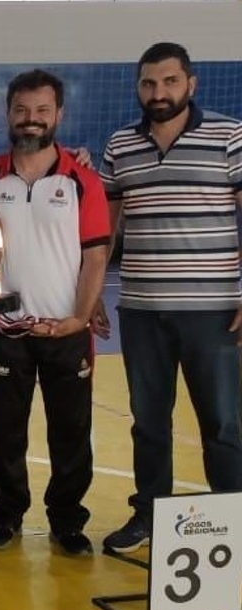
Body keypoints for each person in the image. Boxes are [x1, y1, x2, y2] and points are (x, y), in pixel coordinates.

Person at [0, 70, 110, 556]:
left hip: (65, 331)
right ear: (8, 114)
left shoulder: (82, 181)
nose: (31, 120)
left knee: (71, 433)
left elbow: (96, 256)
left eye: (42, 111)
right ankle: (6, 515)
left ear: (58, 115)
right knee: (4, 432)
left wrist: (80, 318)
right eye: (22, 110)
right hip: (6, 330)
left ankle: (66, 520)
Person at [97, 42, 242, 554]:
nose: (159, 93)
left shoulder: (229, 136)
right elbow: (106, 228)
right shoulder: (121, 145)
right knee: (149, 421)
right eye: (149, 83)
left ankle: (232, 521)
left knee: (222, 423)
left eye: (170, 82)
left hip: (214, 313)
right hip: (141, 311)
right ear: (139, 87)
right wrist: (91, 292)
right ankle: (150, 517)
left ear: (191, 84)